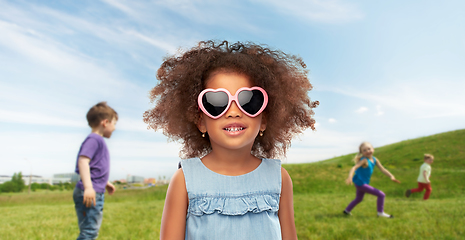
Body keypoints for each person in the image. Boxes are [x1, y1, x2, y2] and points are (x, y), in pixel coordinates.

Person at [143, 40, 319, 240]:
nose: (233, 112)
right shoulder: (184, 180)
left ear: (264, 120)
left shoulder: (279, 179)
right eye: (217, 102)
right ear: (201, 121)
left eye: (248, 101)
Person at [73, 102, 118, 240]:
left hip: (95, 190)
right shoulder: (94, 139)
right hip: (90, 193)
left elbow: (94, 168)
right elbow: (83, 161)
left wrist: (105, 182)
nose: (115, 128)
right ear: (105, 122)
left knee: (89, 231)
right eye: (114, 124)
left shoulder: (97, 140)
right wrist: (88, 187)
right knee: (89, 232)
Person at [343, 142, 400, 218]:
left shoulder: (375, 159)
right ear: (362, 153)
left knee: (359, 198)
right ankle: (380, 213)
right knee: (381, 194)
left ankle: (346, 211)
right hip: (361, 183)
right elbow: (353, 168)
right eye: (364, 150)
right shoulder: (364, 160)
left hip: (362, 182)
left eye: (369, 149)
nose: (367, 151)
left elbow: (383, 169)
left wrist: (391, 176)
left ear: (373, 149)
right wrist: (350, 177)